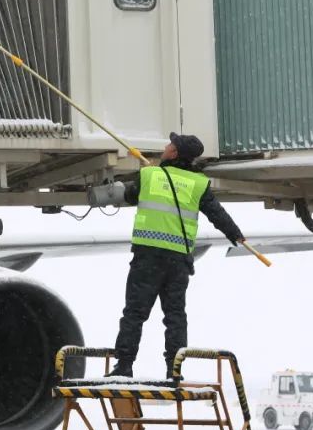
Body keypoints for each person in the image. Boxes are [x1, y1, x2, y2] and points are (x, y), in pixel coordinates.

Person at [99, 133, 244, 378]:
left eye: (169, 145)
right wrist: (236, 235)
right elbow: (216, 213)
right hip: (179, 261)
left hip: (148, 258)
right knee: (175, 316)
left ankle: (124, 366)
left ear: (174, 153)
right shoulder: (198, 184)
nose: (165, 147)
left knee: (134, 314)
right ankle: (174, 370)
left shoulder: (150, 174)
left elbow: (130, 196)